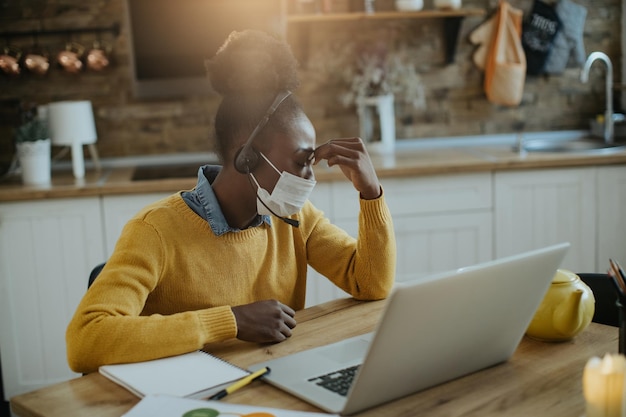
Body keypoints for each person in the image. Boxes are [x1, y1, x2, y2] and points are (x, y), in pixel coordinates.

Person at [66, 30, 396, 374]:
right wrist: (231, 321)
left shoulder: (295, 219)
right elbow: (86, 340)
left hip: (270, 380)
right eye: (300, 162)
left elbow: (371, 283)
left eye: (310, 163)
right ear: (247, 158)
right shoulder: (155, 231)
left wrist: (370, 192)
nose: (309, 178)